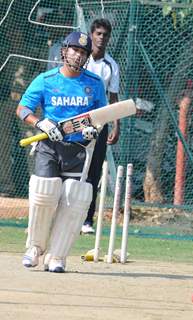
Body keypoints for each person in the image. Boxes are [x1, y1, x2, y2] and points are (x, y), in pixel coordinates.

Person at [16, 31, 107, 273]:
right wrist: (39, 123)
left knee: (73, 199)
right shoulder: (46, 79)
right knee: (44, 193)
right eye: (75, 50)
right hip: (49, 145)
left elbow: (102, 116)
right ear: (64, 51)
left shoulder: (94, 84)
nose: (78, 56)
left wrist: (93, 129)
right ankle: (35, 247)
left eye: (83, 53)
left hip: (78, 148)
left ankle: (57, 256)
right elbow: (23, 108)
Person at [81, 18, 120, 234]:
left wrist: (116, 125)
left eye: (105, 34)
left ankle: (87, 220)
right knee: (74, 168)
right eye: (98, 34)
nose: (101, 38)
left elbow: (113, 98)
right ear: (91, 35)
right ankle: (67, 215)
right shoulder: (82, 60)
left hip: (100, 122)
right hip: (77, 121)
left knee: (94, 172)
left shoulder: (111, 66)